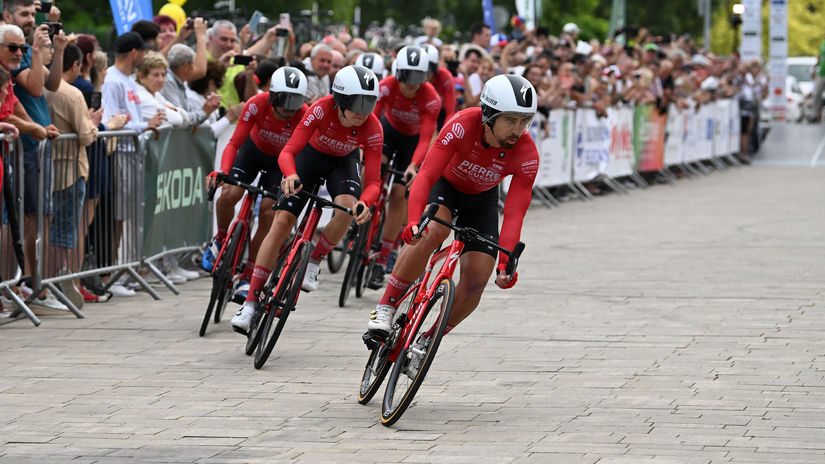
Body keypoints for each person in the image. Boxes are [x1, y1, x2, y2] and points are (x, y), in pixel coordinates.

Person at [367, 75, 538, 346]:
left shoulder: (527, 153)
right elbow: (425, 176)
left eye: (524, 121)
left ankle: (429, 339)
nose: (518, 130)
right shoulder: (461, 124)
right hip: (444, 185)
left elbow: (515, 212)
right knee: (432, 231)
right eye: (510, 120)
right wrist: (413, 222)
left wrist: (506, 263)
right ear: (488, 114)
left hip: (481, 200)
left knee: (477, 280)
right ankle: (386, 306)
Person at [230, 65, 381, 334]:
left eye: (368, 103)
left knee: (347, 208)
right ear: (341, 100)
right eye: (357, 103)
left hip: (342, 164)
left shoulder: (372, 126)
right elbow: (288, 152)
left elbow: (373, 182)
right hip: (308, 159)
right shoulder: (320, 109)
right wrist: (289, 174)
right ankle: (250, 302)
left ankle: (315, 259)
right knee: (281, 222)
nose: (362, 111)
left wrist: (365, 202)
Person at [203, 67, 309, 302]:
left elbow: (304, 154)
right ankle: (220, 239)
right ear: (272, 96)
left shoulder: (304, 113)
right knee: (230, 193)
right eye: (284, 102)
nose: (289, 110)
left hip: (279, 163)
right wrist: (223, 170)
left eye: (295, 103)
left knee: (269, 214)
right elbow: (233, 143)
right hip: (252, 153)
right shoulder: (256, 103)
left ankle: (249, 274)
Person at [367, 45, 440, 289]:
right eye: (406, 76)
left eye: (417, 78)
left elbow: (425, 139)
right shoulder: (386, 85)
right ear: (397, 72)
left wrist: (413, 166)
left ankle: (384, 258)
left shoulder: (431, 98)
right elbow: (372, 120)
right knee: (374, 175)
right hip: (386, 132)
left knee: (399, 195)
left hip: (412, 142)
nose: (410, 84)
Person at [44, 43, 101, 307]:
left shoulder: (38, 89)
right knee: (64, 233)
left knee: (45, 229)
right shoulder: (73, 93)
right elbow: (86, 136)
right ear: (76, 65)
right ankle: (54, 282)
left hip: (45, 168)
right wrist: (94, 124)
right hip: (70, 170)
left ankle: (45, 282)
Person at [162, 42, 218, 125]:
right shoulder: (167, 82)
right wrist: (204, 111)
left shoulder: (178, 82)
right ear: (185, 66)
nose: (195, 68)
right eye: (193, 64)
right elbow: (180, 119)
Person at [423, 44, 456, 130]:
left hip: (439, 113)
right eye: (420, 73)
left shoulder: (445, 76)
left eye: (428, 72)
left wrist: (443, 133)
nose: (425, 76)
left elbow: (450, 111)